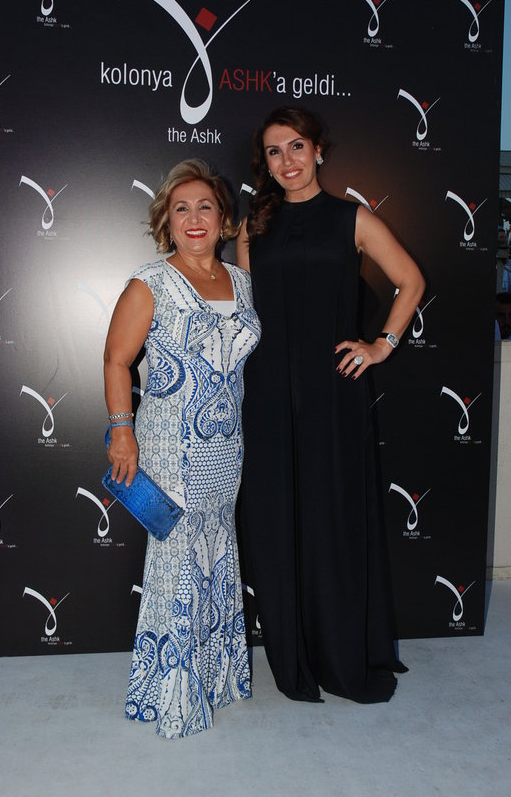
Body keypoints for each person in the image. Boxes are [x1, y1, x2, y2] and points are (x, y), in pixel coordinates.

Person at [236, 106, 425, 704]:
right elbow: (242, 314)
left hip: (333, 392)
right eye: (274, 151)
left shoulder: (353, 219)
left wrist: (381, 345)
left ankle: (342, 652)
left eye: (297, 146)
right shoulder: (252, 228)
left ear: (318, 150)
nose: (287, 160)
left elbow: (411, 281)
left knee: (332, 520)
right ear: (265, 163)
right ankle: (293, 655)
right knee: (278, 523)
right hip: (266, 393)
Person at [104, 159, 261, 738]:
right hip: (171, 449)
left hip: (226, 447)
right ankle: (171, 695)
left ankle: (216, 678)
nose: (194, 218)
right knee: (176, 564)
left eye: (205, 207)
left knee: (217, 553)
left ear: (222, 219)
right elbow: (116, 360)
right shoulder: (149, 282)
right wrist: (122, 431)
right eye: (181, 209)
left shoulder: (240, 280)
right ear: (166, 222)